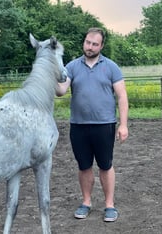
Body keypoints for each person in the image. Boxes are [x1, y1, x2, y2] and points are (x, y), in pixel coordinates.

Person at [56, 27, 129, 222]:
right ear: (84, 42)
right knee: (84, 166)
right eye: (88, 42)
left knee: (105, 165)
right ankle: (86, 202)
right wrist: (52, 73)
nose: (90, 47)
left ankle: (109, 205)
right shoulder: (71, 66)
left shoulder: (111, 67)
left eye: (95, 44)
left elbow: (122, 97)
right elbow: (61, 91)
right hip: (78, 126)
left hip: (104, 125)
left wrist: (123, 125)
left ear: (101, 46)